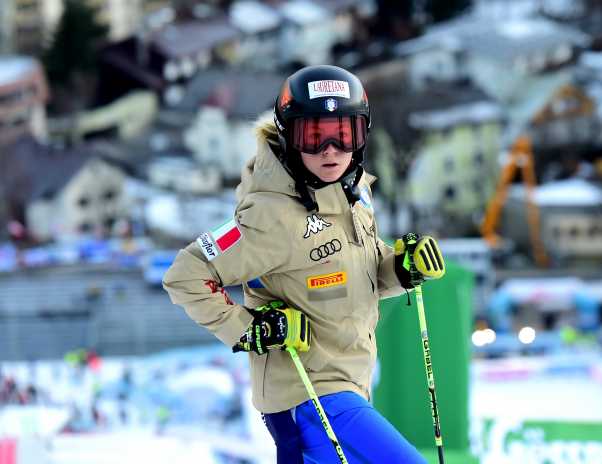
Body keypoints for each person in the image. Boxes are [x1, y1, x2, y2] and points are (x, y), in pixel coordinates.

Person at [163, 65, 445, 463]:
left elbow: (361, 275)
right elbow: (185, 275)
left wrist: (401, 269)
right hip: (308, 396)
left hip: (350, 383)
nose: (331, 150)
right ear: (289, 137)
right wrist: (251, 328)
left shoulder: (354, 195)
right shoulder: (270, 215)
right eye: (314, 136)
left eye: (343, 134)